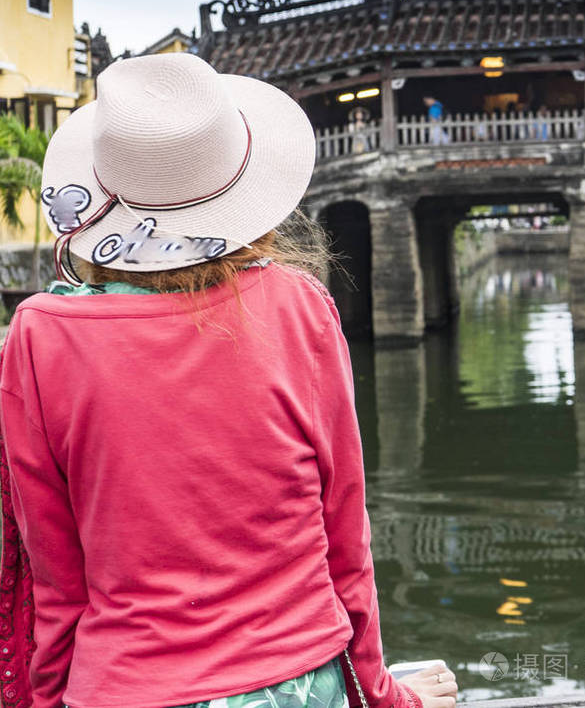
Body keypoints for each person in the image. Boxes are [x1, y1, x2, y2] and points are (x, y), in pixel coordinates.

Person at [0, 54, 457, 708]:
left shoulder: (39, 338)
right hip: (300, 687)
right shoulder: (302, 309)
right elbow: (345, 550)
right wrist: (387, 699)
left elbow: (57, 585)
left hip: (126, 689)